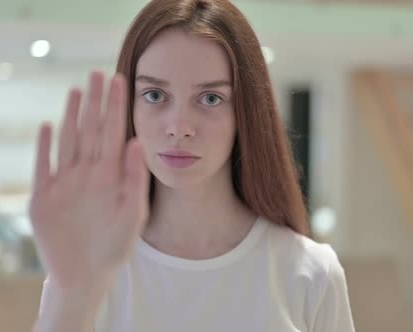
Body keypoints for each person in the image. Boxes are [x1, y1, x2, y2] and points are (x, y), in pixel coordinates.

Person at [32, 0, 355, 331]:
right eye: (155, 95)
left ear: (244, 113)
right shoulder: (87, 269)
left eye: (210, 98)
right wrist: (74, 295)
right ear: (130, 104)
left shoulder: (310, 274)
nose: (179, 126)